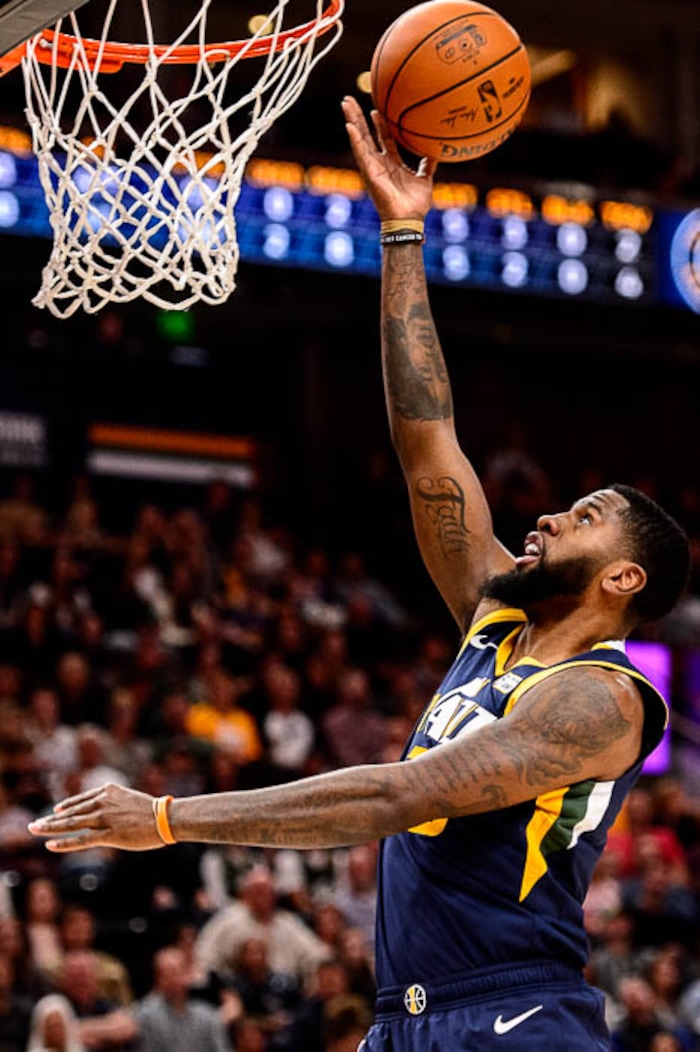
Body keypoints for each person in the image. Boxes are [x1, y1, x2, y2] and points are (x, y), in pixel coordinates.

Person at [27, 95, 692, 1052]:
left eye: (583, 518)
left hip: (516, 1016)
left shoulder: (603, 698)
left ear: (625, 580)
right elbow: (427, 443)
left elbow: (402, 795)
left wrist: (168, 818)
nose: (547, 516)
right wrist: (403, 230)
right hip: (404, 1021)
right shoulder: (496, 625)